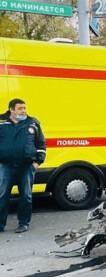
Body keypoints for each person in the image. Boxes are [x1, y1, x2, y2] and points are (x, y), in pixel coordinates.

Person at [0, 98, 46, 233]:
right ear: (11, 110)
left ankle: (24, 223)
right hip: (6, 165)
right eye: (20, 108)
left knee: (26, 195)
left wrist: (38, 162)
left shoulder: (33, 123)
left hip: (26, 166)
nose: (24, 111)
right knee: (2, 195)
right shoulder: (1, 122)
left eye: (24, 108)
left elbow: (41, 144)